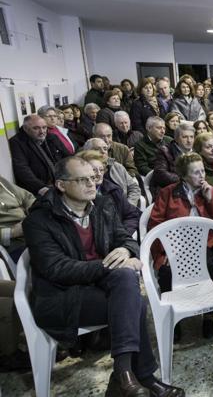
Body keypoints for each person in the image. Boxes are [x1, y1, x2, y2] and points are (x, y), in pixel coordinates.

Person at [23, 157, 185, 397]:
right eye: (82, 179)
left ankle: (123, 375)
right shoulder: (38, 220)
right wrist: (110, 266)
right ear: (61, 185)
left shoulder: (101, 205)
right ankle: (141, 376)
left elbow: (125, 237)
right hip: (63, 297)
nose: (92, 183)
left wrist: (125, 250)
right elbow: (57, 269)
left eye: (93, 178)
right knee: (135, 301)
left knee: (127, 285)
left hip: (101, 286)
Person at [148, 153, 213, 340]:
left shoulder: (211, 191)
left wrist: (209, 200)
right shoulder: (168, 193)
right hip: (172, 246)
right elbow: (155, 224)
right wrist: (163, 251)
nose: (201, 176)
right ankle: (172, 317)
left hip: (203, 245)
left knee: (207, 265)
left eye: (202, 171)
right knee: (166, 273)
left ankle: (208, 315)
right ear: (184, 176)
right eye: (195, 173)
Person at [76, 151, 140, 235]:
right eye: (94, 170)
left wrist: (122, 235)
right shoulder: (75, 195)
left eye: (101, 170)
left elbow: (132, 215)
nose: (99, 174)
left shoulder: (114, 190)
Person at [9, 114, 70, 195]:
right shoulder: (17, 142)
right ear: (25, 129)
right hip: (40, 188)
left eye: (44, 127)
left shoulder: (51, 137)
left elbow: (68, 157)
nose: (42, 131)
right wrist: (41, 187)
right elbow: (22, 169)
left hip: (61, 180)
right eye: (36, 128)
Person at [82, 138, 141, 207]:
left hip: (123, 208)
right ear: (87, 152)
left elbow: (134, 187)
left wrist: (129, 205)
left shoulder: (116, 166)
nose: (103, 151)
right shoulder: (83, 170)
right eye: (97, 149)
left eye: (105, 148)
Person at [151, 122, 195, 199]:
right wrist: (186, 179)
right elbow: (160, 174)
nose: (189, 140)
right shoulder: (165, 151)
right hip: (171, 191)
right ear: (176, 139)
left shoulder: (196, 151)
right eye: (185, 137)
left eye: (191, 137)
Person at [0, 176, 35, 262]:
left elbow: (28, 197)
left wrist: (34, 212)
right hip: (12, 245)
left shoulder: (2, 182)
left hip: (31, 228)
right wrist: (12, 232)